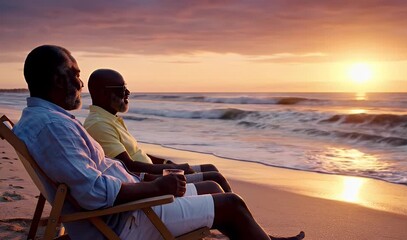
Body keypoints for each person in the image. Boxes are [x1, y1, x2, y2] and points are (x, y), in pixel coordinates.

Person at [13, 45, 305, 240]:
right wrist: (155, 186)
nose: (79, 84)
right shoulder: (53, 126)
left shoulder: (43, 119)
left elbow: (93, 177)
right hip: (123, 220)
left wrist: (146, 177)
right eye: (74, 75)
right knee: (231, 204)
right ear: (55, 79)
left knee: (213, 187)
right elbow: (94, 194)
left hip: (127, 208)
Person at [84, 69, 232, 192]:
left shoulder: (109, 119)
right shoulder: (98, 124)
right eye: (122, 89)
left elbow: (135, 154)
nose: (128, 92)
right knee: (215, 179)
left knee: (210, 168)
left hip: (155, 173)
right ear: (103, 94)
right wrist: (174, 169)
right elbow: (129, 166)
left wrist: (167, 162)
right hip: (148, 180)